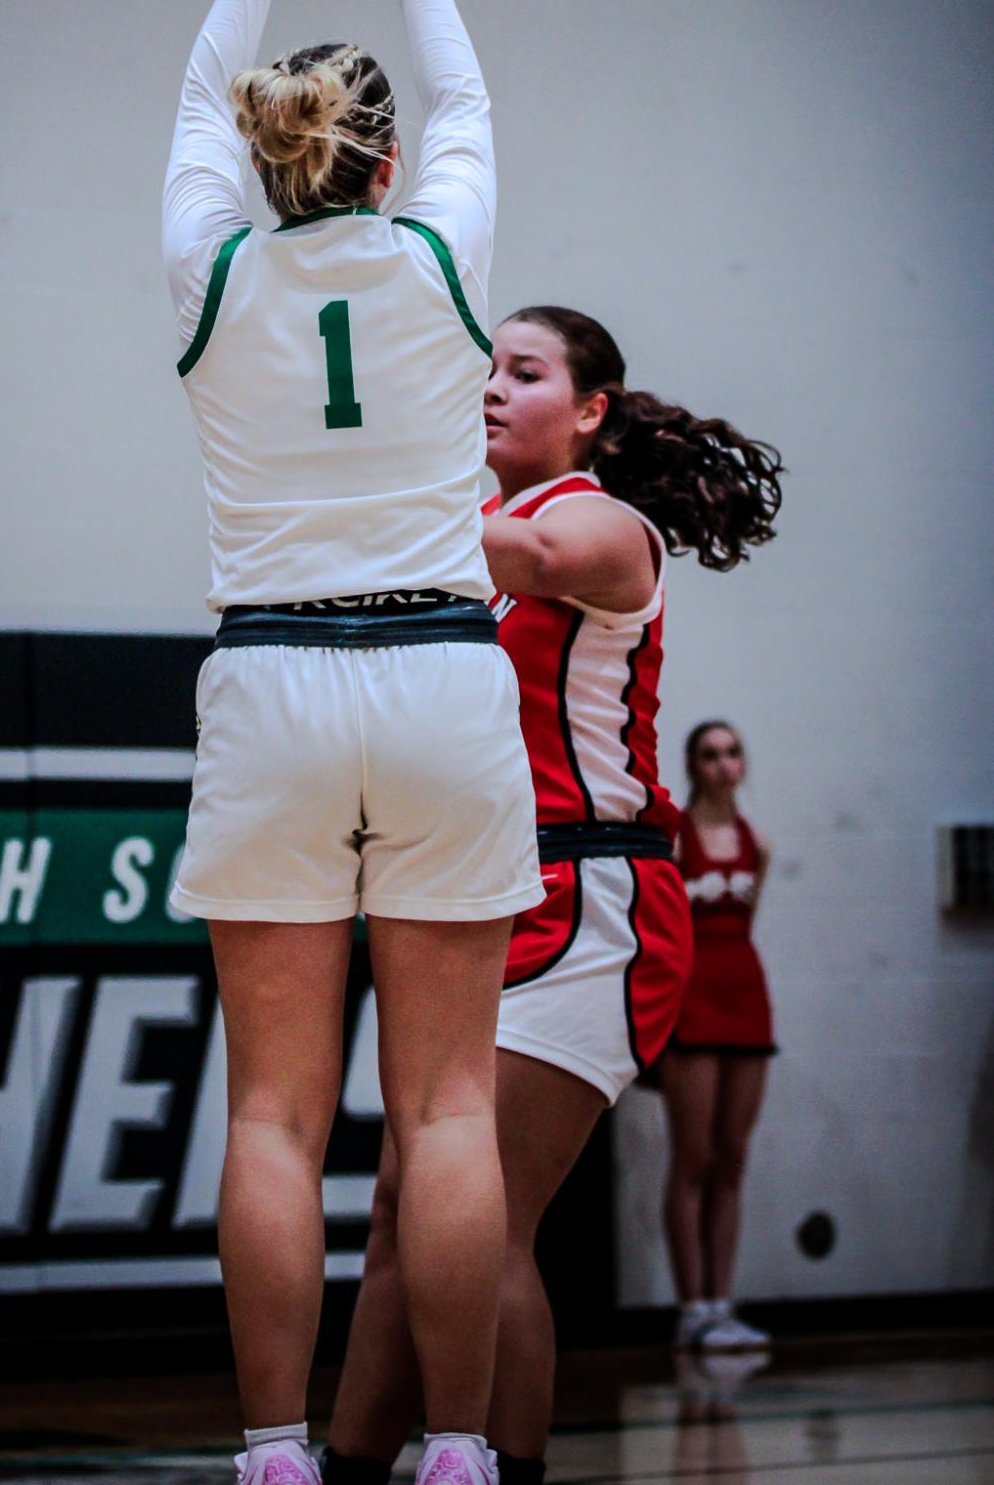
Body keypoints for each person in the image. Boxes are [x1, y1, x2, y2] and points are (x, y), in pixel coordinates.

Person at [162, 0, 543, 1485]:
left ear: (258, 156)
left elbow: (190, 96)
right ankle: (456, 1459)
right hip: (442, 679)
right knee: (448, 1109)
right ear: (384, 166)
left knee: (268, 1116)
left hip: (271, 679)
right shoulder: (443, 260)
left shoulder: (206, 268)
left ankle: (268, 1454)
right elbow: (459, 94)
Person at [325, 306, 783, 1485]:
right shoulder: (472, 534)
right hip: (482, 895)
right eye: (482, 372)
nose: (489, 391)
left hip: (593, 898)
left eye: (520, 374)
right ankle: (349, 1462)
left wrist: (345, 465)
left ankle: (500, 1466)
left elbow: (515, 557)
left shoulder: (594, 521)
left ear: (589, 411)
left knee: (486, 1222)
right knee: (399, 1218)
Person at [663, 719, 776, 1352]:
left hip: (746, 992)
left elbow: (748, 923)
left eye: (733, 751)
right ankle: (692, 1307)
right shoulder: (674, 840)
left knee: (732, 1155)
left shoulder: (757, 843)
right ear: (693, 765)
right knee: (694, 1156)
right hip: (693, 997)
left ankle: (723, 1304)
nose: (723, 764)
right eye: (710, 754)